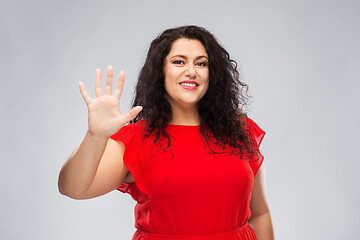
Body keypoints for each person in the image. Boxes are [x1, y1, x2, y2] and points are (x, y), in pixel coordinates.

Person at [58, 25, 274, 240]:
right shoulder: (137, 139)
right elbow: (72, 188)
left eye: (201, 63)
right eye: (179, 61)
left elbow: (261, 213)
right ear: (160, 71)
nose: (191, 71)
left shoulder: (239, 131)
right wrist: (95, 135)